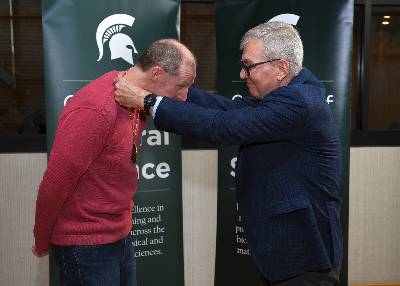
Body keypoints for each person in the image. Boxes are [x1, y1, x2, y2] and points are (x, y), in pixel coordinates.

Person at [114, 21, 343, 286]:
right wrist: (179, 92)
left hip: (304, 254)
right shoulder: (289, 93)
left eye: (249, 66)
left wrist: (148, 101)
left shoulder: (299, 103)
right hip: (285, 250)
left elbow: (224, 126)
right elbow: (228, 109)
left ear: (281, 67)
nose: (243, 74)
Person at [32, 39, 196, 286]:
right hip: (85, 243)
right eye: (181, 86)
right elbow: (55, 182)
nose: (184, 97)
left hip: (119, 235)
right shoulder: (95, 108)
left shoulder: (136, 101)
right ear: (157, 73)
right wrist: (42, 238)